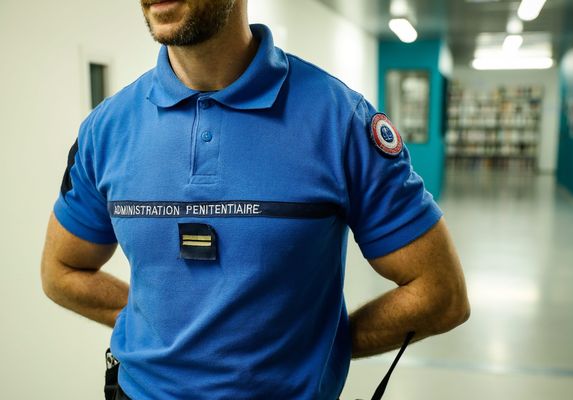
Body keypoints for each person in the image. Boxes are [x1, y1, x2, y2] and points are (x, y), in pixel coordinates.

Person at [40, 1, 470, 399]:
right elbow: (61, 270)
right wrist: (164, 330)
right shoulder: (107, 128)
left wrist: (322, 344)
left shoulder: (341, 122)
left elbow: (440, 294)